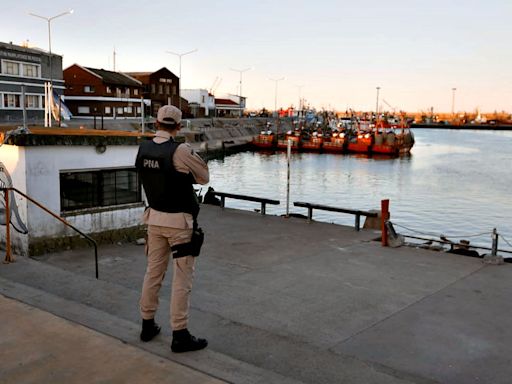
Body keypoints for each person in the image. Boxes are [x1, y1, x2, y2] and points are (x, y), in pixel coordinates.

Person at [135, 105, 209, 353]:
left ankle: (147, 324)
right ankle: (180, 333)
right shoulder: (181, 150)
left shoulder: (143, 148)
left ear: (156, 123)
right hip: (179, 223)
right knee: (182, 279)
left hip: (153, 219)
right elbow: (203, 177)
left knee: (153, 273)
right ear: (178, 126)